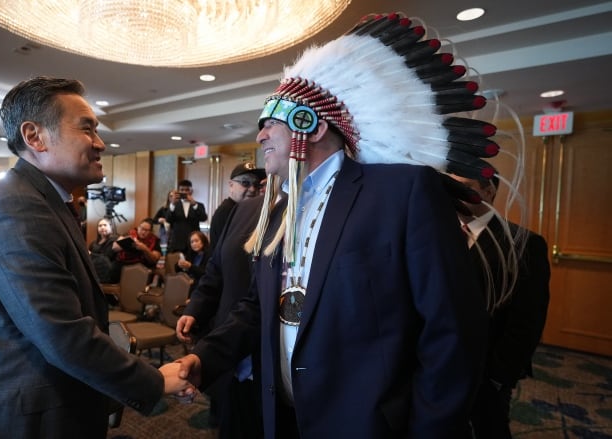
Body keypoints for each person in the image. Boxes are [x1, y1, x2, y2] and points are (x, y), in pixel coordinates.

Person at [167, 13, 520, 438]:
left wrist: (428, 430)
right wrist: (204, 358)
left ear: (309, 125)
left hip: (367, 424)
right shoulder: (280, 210)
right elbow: (260, 308)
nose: (260, 138)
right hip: (281, 416)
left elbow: (451, 332)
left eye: (270, 124)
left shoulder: (401, 193)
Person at [0, 77, 189, 439]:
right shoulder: (18, 206)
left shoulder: (42, 199)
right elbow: (59, 331)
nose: (100, 143)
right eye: (87, 128)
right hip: (17, 419)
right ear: (35, 136)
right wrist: (152, 380)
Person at [450, 171, 551, 439]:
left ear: (489, 191)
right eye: (450, 187)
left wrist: (497, 376)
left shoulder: (524, 244)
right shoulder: (438, 236)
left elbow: (527, 321)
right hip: (441, 361)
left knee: (489, 428)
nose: (455, 196)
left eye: (465, 188)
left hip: (488, 369)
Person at [176, 194, 267, 439]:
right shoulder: (243, 210)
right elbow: (216, 269)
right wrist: (196, 308)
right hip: (232, 357)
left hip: (276, 366)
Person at [208, 162, 265, 248]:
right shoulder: (226, 211)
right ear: (231, 185)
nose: (253, 189)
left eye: (256, 184)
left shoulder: (245, 210)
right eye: (245, 183)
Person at [165, 180, 207, 253]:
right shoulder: (174, 205)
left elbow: (204, 218)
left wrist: (194, 205)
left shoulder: (199, 205)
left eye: (187, 190)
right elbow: (168, 219)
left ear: (191, 191)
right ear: (178, 191)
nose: (184, 192)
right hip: (177, 243)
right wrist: (172, 205)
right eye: (182, 190)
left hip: (194, 243)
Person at [175, 230, 210, 297]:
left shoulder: (208, 255)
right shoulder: (191, 254)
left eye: (196, 241)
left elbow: (205, 273)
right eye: (192, 242)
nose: (194, 244)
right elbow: (177, 270)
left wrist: (190, 266)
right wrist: (179, 265)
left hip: (202, 284)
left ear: (203, 242)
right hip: (188, 282)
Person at [88, 217, 119, 283]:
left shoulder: (114, 240)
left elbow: (107, 256)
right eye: (100, 226)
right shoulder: (93, 243)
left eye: (105, 225)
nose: (102, 227)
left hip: (107, 271)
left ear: (110, 227)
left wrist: (91, 254)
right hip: (94, 269)